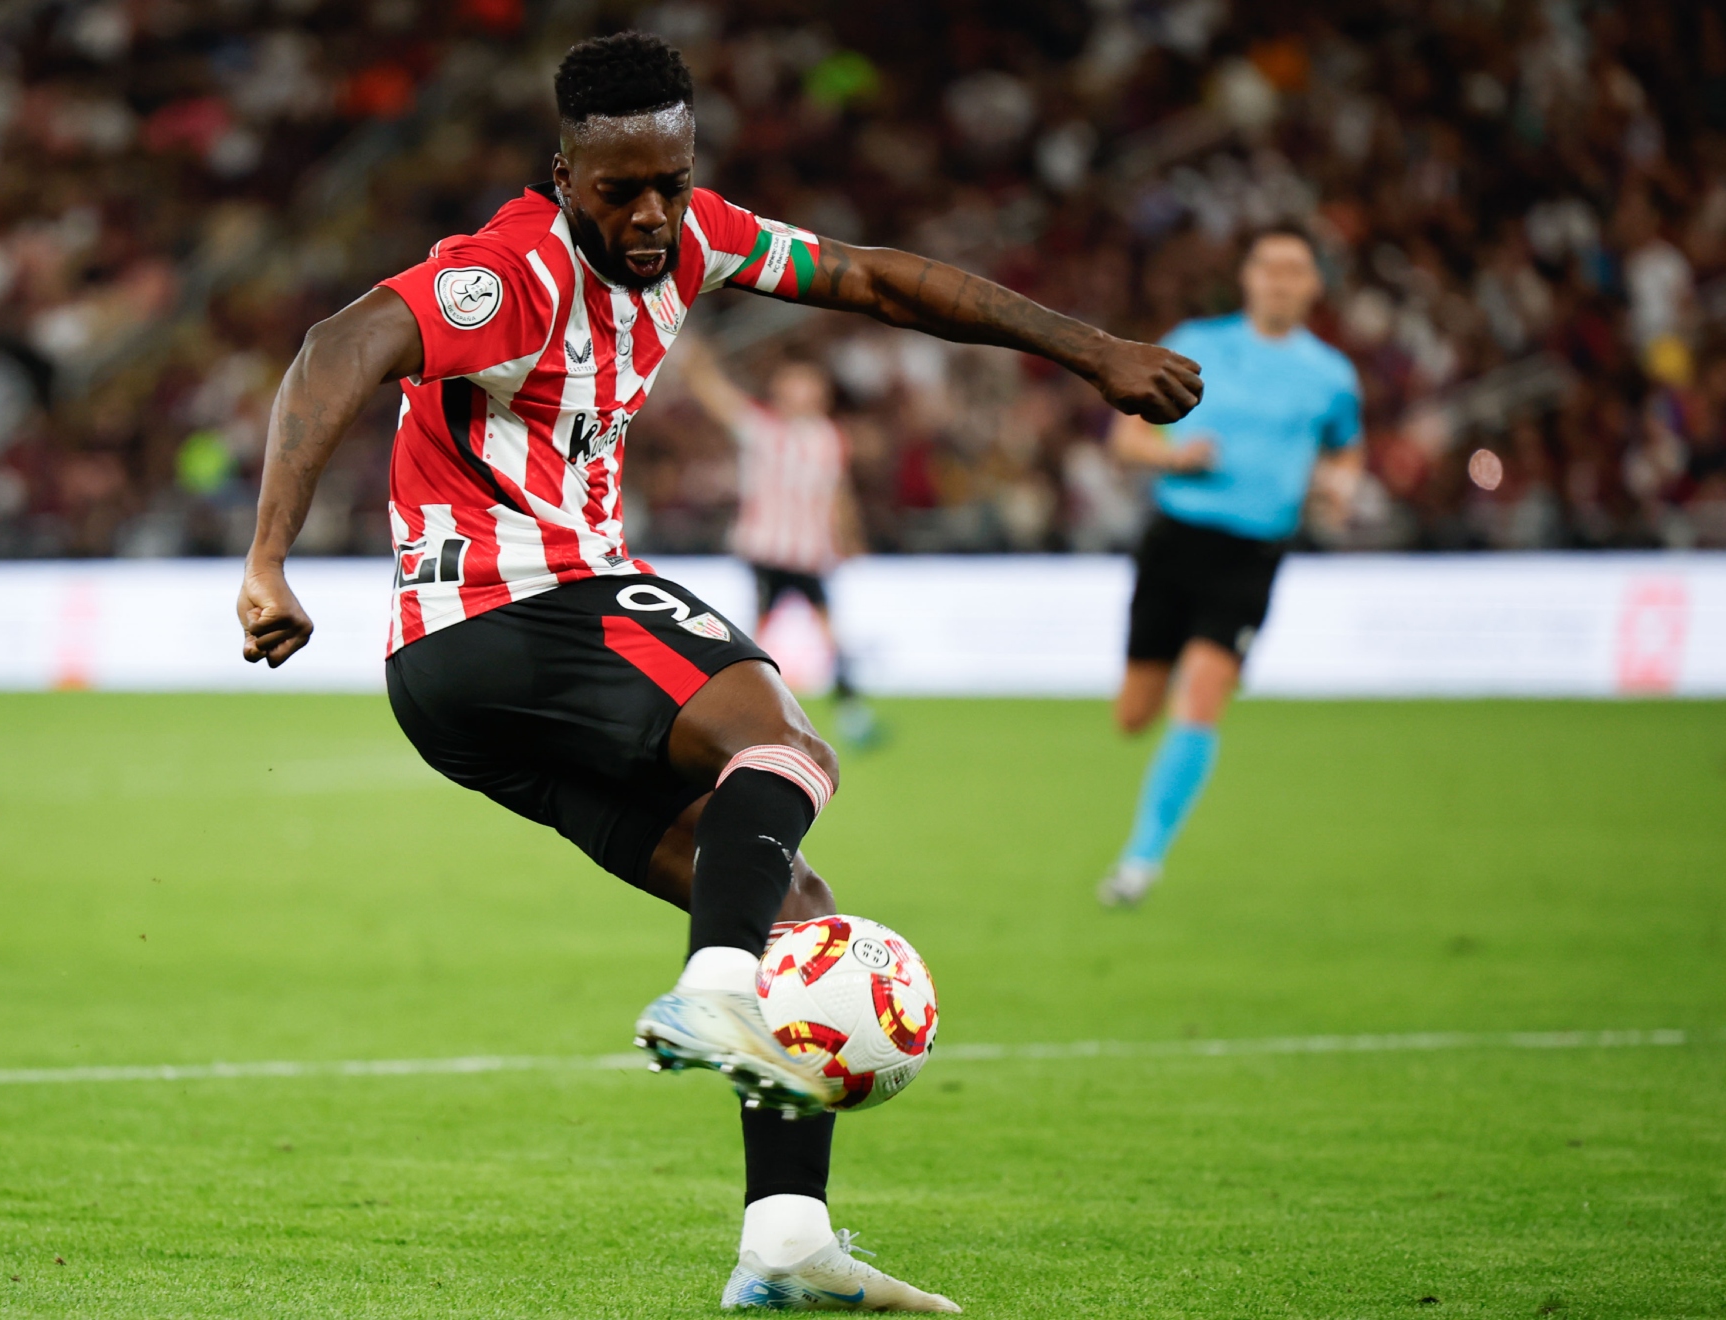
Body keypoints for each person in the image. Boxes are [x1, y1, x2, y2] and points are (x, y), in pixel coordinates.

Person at [236, 32, 1200, 1312]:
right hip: (517, 605)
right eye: (616, 189)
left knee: (790, 903)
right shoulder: (504, 272)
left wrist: (1088, 349)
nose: (648, 216)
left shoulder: (699, 239)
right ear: (563, 174)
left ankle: (786, 1239)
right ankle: (711, 992)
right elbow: (336, 346)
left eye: (669, 183)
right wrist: (269, 556)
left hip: (470, 681)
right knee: (788, 744)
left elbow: (875, 281)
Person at [1098, 223, 1363, 909]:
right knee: (1133, 715)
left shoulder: (1331, 377)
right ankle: (1159, 773)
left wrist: (1340, 486)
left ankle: (1139, 862)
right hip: (1176, 541)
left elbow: (1346, 451)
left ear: (1313, 284)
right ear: (1247, 278)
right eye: (1268, 267)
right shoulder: (1197, 345)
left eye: (1294, 269)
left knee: (1206, 690)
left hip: (1253, 552)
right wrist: (1172, 456)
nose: (1279, 279)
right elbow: (1127, 436)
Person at [679, 344, 880, 747]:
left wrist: (850, 537)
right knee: (758, 637)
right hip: (768, 552)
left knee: (822, 633)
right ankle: (734, 706)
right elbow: (719, 400)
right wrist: (698, 367)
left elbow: (838, 492)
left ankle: (849, 712)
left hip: (808, 555)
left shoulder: (828, 438)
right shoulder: (764, 429)